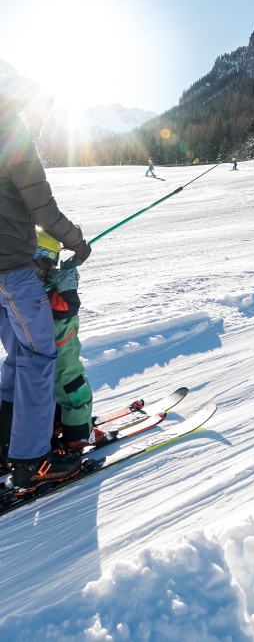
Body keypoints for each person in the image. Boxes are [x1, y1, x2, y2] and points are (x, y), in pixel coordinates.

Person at [0, 75, 91, 493]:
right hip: (12, 272)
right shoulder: (14, 138)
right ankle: (32, 461)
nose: (43, 123)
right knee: (39, 357)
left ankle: (7, 443)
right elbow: (44, 211)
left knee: (18, 353)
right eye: (43, 112)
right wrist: (77, 242)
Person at [33, 230, 113, 451]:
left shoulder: (24, 284)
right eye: (51, 260)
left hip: (41, 351)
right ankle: (79, 435)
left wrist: (68, 272)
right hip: (62, 351)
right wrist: (68, 287)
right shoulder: (45, 291)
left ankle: (59, 423)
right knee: (75, 390)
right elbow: (68, 307)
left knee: (51, 390)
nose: (53, 267)